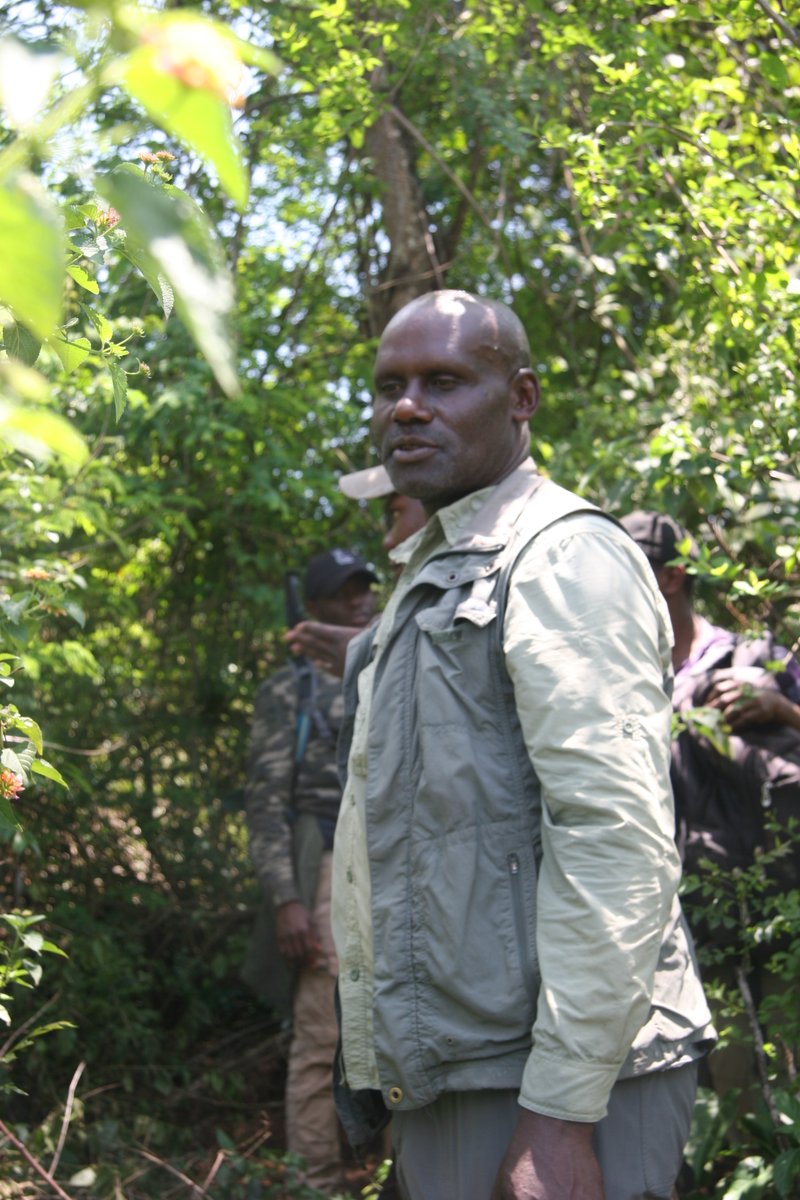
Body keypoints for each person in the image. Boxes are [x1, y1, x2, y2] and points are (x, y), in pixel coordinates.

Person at [330, 290, 715, 1200]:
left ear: (523, 398)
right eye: (390, 387)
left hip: (560, 1084)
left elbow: (615, 844)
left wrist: (559, 1113)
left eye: (445, 381)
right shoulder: (444, 561)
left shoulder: (561, 558)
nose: (407, 408)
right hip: (469, 1069)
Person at [620, 510, 800, 1107]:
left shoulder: (755, 657)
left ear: (670, 577)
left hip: (780, 905)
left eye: (628, 570)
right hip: (686, 924)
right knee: (731, 1092)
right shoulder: (620, 680)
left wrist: (782, 708)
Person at [244, 548, 377, 1195]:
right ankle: (316, 1185)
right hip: (327, 871)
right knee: (324, 1039)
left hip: (396, 870)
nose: (360, 600)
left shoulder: (390, 664)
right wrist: (287, 900)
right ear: (314, 607)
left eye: (365, 588)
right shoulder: (288, 690)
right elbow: (266, 802)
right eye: (344, 592)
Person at [286, 466, 426, 674]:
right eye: (340, 595)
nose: (356, 602)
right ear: (313, 608)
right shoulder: (298, 684)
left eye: (395, 514)